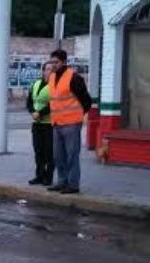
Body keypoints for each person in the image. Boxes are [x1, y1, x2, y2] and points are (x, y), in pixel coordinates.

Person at [46, 49, 92, 195]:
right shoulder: (52, 77)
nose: (53, 65)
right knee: (58, 155)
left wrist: (78, 116)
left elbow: (86, 101)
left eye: (56, 62)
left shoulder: (74, 78)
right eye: (51, 62)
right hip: (57, 123)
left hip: (71, 124)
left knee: (72, 155)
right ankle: (61, 181)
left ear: (64, 62)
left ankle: (73, 185)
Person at [26, 62, 54, 186]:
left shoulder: (55, 86)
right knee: (38, 151)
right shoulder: (36, 83)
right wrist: (32, 112)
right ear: (43, 71)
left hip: (49, 124)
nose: (49, 72)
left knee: (49, 152)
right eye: (47, 69)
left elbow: (53, 104)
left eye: (52, 69)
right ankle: (39, 175)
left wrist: (40, 113)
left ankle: (48, 177)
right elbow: (29, 101)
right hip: (36, 124)